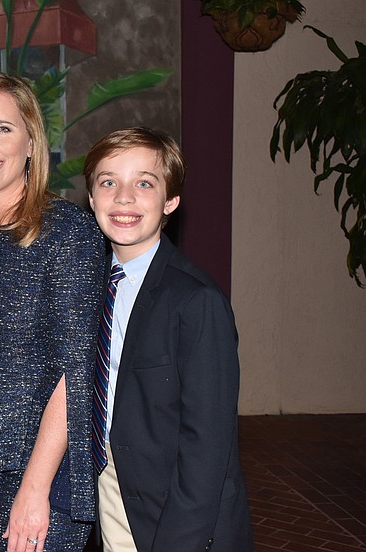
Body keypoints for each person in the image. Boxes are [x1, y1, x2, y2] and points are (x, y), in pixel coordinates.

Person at [0, 72, 105, 552]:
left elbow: (77, 371)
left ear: (31, 143)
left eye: (3, 128)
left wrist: (35, 487)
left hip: (41, 477)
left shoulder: (68, 233)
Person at [84, 127, 253, 551]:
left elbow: (208, 444)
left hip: (175, 511)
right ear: (91, 199)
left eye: (144, 183)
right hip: (111, 484)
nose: (124, 198)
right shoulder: (91, 284)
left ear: (171, 201)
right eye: (108, 182)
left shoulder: (196, 300)